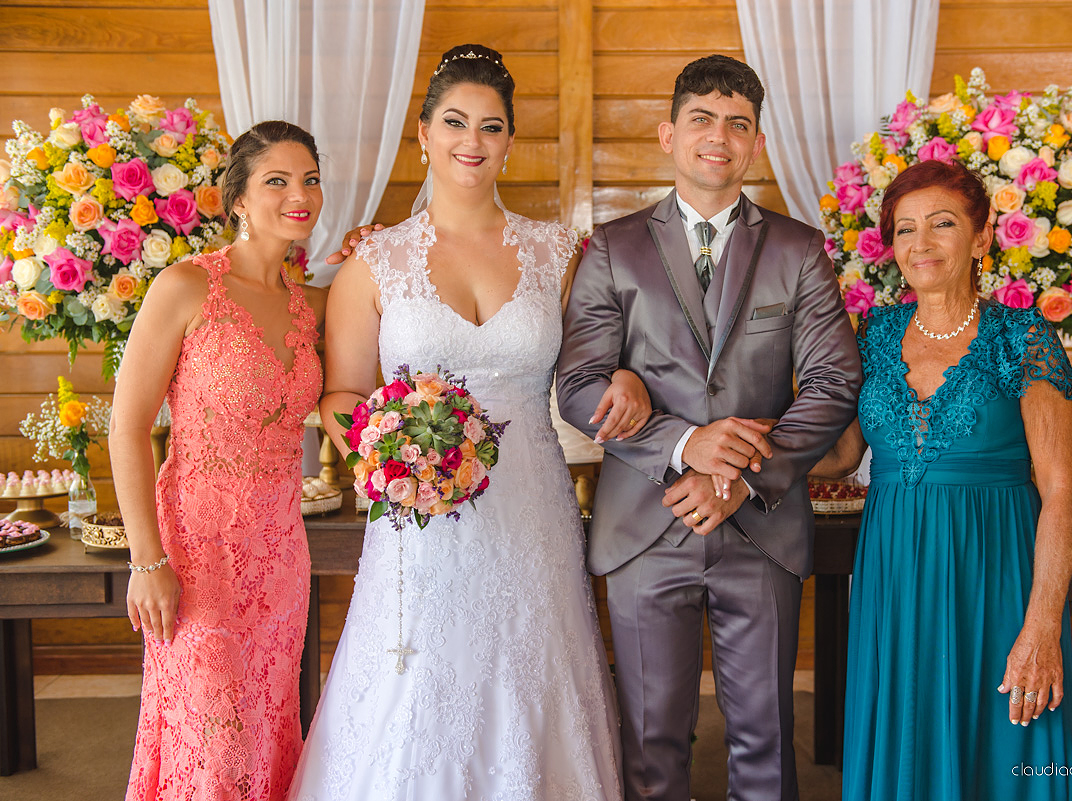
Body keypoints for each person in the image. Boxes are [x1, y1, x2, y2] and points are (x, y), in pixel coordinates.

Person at [289, 44, 646, 799]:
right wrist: (392, 449)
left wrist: (621, 375)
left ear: (510, 141)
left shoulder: (558, 253)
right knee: (420, 680)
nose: (471, 142)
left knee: (528, 665)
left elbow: (592, 364)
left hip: (531, 504)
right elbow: (343, 395)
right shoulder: (375, 261)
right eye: (455, 122)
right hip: (418, 512)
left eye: (490, 126)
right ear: (423, 133)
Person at [556, 55, 863, 801]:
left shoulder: (799, 249)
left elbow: (833, 383)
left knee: (764, 737)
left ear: (755, 143)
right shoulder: (610, 248)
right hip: (643, 526)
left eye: (738, 123)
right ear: (669, 132)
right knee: (652, 743)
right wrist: (687, 446)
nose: (718, 136)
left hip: (760, 526)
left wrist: (738, 476)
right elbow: (578, 384)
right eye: (702, 118)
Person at [813, 158, 1072, 800]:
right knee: (906, 735)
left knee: (1001, 747)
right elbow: (842, 454)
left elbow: (1062, 495)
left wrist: (1042, 626)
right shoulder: (872, 334)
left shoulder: (1023, 338)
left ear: (982, 237)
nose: (921, 243)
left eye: (942, 224)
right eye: (905, 229)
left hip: (997, 578)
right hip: (894, 579)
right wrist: (743, 439)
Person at [112, 120, 327, 800]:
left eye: (311, 179)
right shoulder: (185, 287)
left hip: (282, 558)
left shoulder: (309, 305)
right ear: (236, 198)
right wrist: (147, 560)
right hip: (197, 558)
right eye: (278, 180)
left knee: (268, 728)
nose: (301, 194)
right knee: (212, 736)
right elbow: (126, 427)